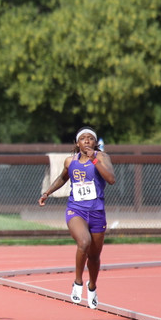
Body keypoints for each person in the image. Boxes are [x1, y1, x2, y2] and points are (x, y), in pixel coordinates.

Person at [38, 126, 116, 309]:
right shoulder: (70, 161)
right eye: (83, 138)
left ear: (95, 143)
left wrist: (94, 159)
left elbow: (111, 179)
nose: (87, 141)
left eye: (90, 138)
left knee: (95, 256)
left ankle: (92, 286)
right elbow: (63, 178)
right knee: (84, 242)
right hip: (76, 210)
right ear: (77, 143)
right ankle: (78, 282)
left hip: (96, 211)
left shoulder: (102, 158)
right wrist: (47, 192)